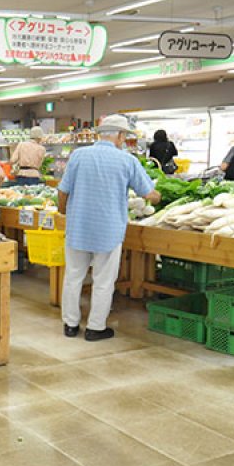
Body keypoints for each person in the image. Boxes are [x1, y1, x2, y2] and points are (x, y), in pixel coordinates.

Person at [59, 115, 161, 341]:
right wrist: (158, 196)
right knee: (103, 281)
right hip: (109, 229)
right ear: (121, 136)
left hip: (78, 228)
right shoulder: (127, 161)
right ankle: (95, 328)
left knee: (73, 276)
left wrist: (65, 212)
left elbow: (63, 190)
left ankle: (70, 324)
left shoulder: (78, 155)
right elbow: (148, 194)